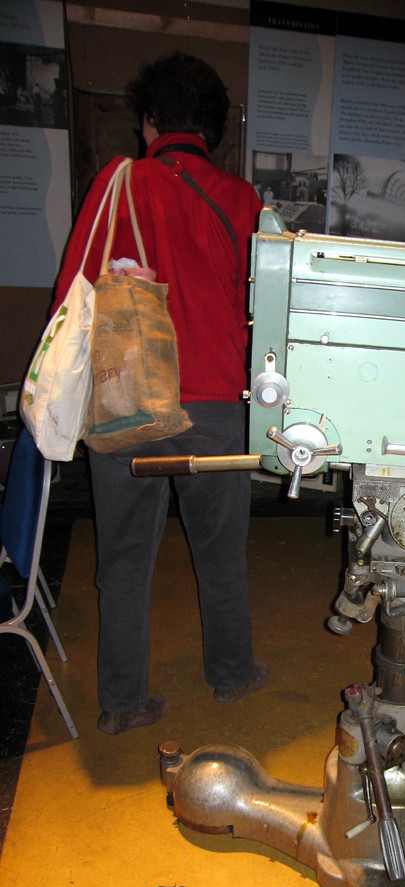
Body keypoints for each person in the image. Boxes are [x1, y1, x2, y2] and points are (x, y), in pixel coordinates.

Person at [51, 52, 267, 734]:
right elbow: (258, 310)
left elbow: (71, 296)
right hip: (216, 402)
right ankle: (231, 674)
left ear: (149, 122)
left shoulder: (116, 185)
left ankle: (122, 702)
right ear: (211, 129)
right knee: (220, 554)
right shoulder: (242, 199)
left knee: (122, 559)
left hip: (127, 399)